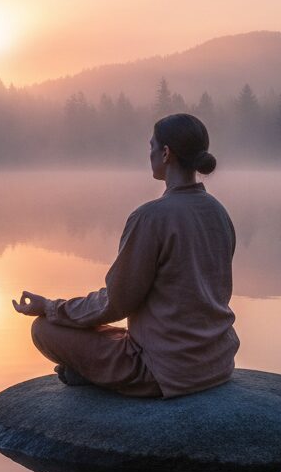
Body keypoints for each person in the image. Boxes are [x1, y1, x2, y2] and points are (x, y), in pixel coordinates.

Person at [12, 113, 238, 398]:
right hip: (217, 363)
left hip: (165, 371)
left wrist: (51, 308)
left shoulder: (150, 218)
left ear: (166, 153)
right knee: (108, 334)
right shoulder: (219, 213)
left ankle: (96, 375)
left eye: (152, 146)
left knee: (44, 330)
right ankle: (91, 372)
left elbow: (116, 303)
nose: (151, 153)